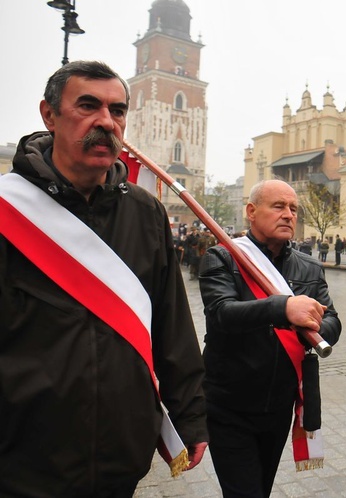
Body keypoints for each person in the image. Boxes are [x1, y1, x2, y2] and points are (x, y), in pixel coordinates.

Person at [0, 61, 208, 497]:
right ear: (49, 115)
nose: (106, 122)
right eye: (88, 106)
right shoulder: (8, 211)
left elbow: (172, 324)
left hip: (120, 453)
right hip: (25, 459)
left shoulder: (145, 212)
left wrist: (189, 416)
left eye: (117, 111)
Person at [198, 179, 342, 498]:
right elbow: (222, 314)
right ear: (251, 211)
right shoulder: (223, 258)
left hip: (278, 405)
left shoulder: (309, 266)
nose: (288, 214)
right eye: (278, 206)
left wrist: (312, 331)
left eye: (293, 208)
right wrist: (283, 307)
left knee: (259, 489)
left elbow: (332, 320)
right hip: (229, 404)